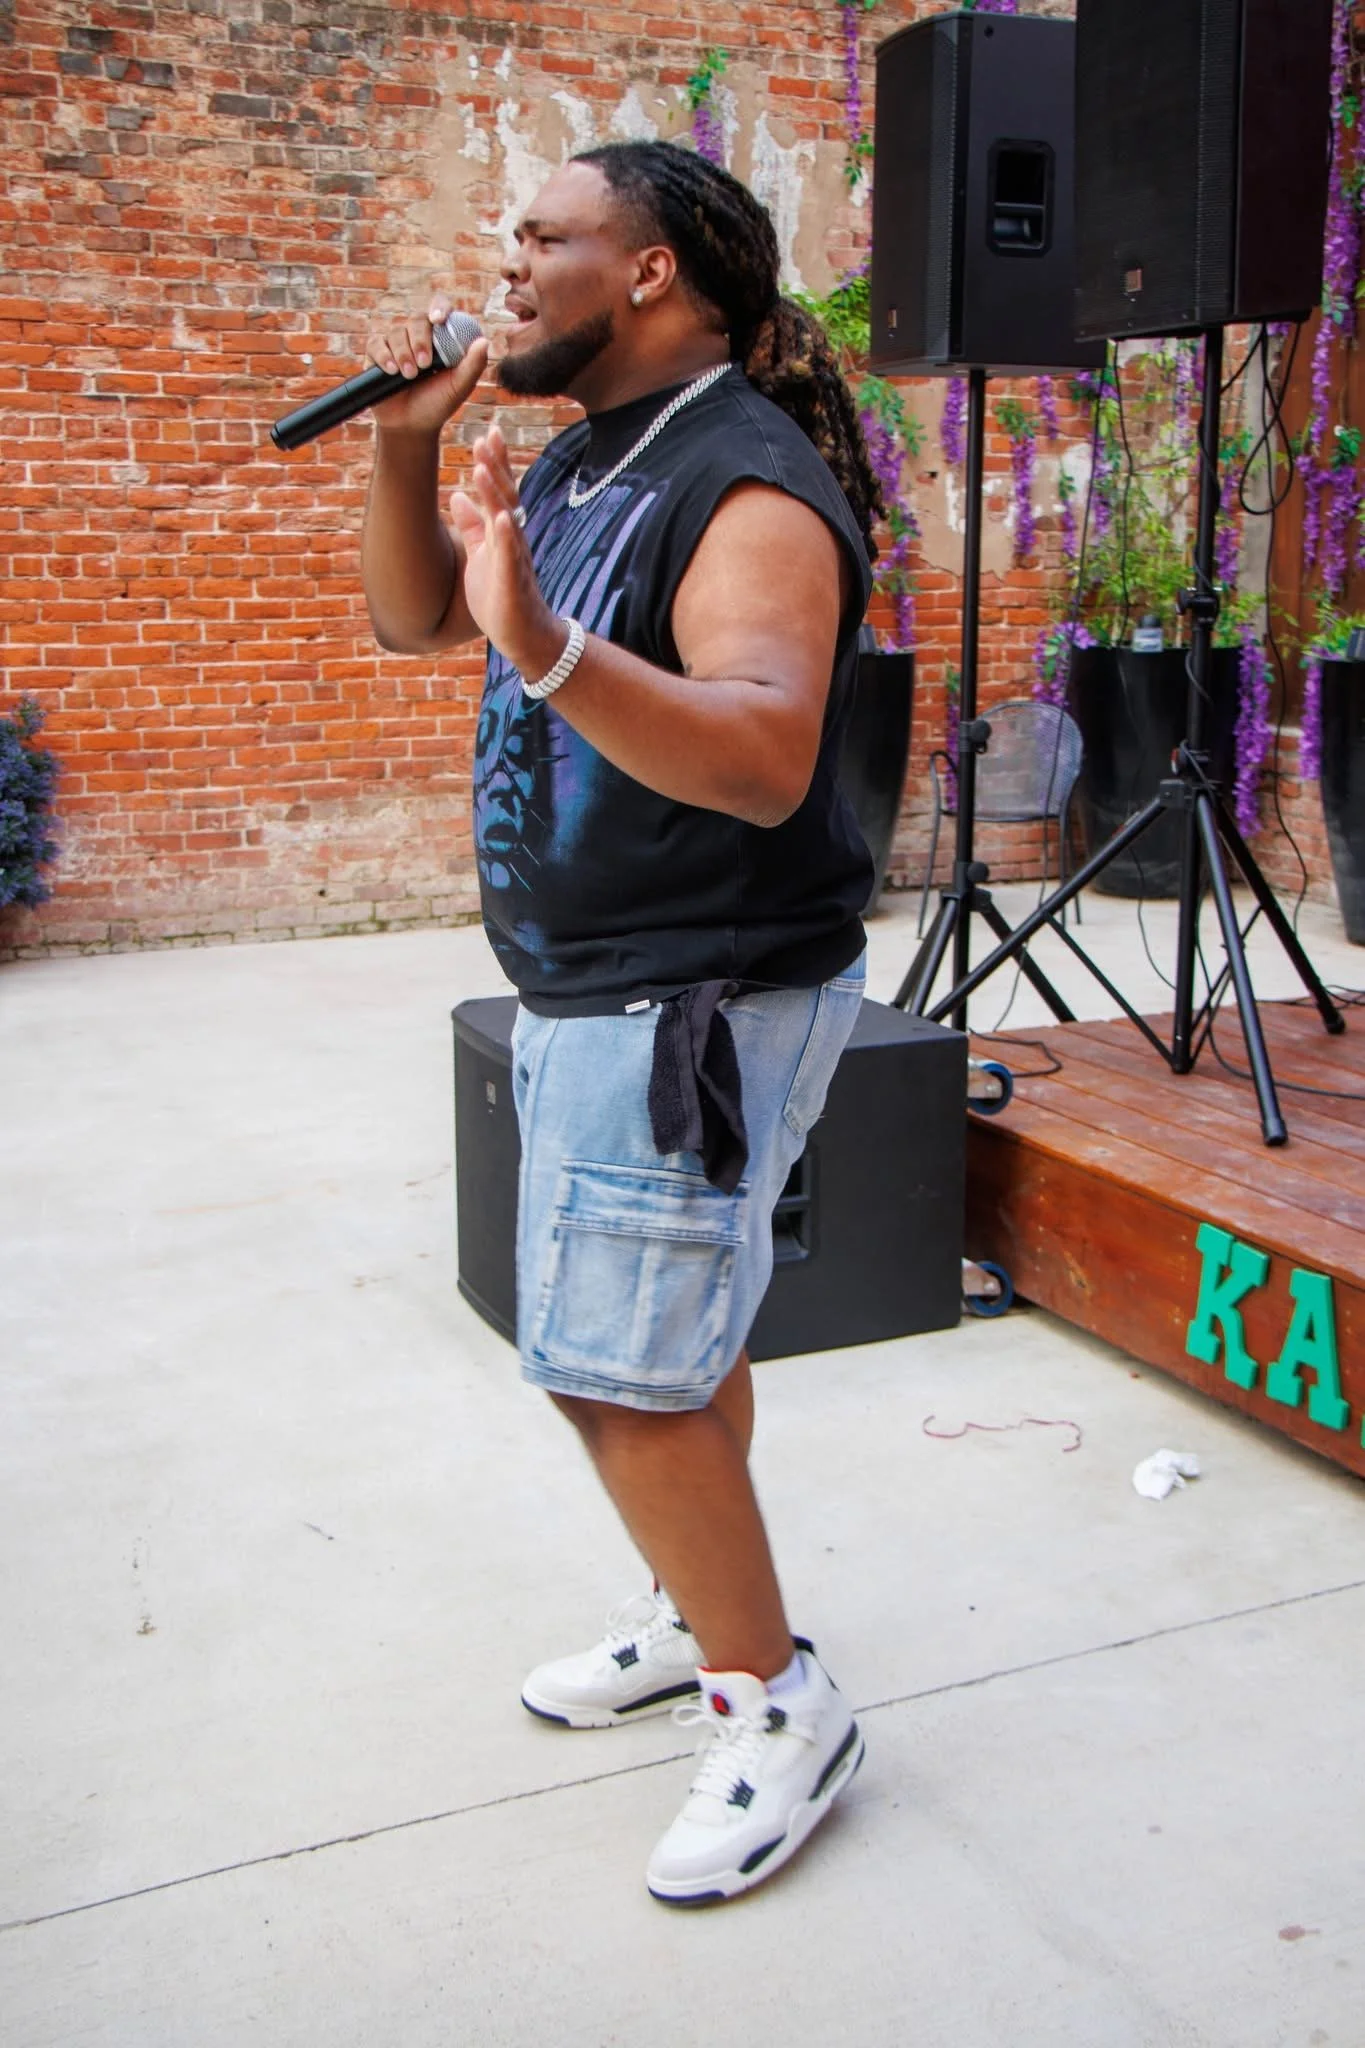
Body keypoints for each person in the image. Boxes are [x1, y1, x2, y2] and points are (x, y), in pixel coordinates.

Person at [361, 140, 884, 1905]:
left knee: (612, 1373)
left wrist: (558, 658)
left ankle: (780, 1702)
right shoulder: (596, 454)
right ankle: (699, 1603)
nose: (508, 263)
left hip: (699, 997)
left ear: (651, 272)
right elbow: (414, 614)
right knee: (673, 1340)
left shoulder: (748, 486)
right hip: (615, 984)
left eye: (545, 235)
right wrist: (409, 440)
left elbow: (760, 755)